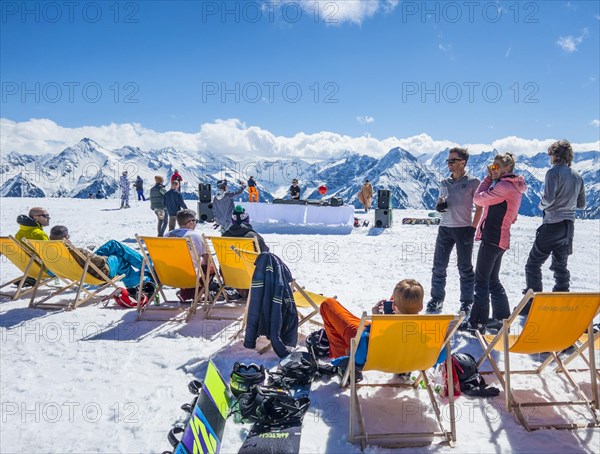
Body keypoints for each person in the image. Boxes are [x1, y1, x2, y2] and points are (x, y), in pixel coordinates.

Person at [460, 153, 526, 334]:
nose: (492, 169)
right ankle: (501, 319)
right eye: (492, 166)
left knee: (481, 281)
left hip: (492, 237)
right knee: (492, 279)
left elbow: (478, 199)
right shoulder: (513, 186)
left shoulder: (504, 186)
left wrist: (488, 178)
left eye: (496, 167)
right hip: (500, 238)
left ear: (506, 169)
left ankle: (477, 322)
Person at [523, 140, 586, 313]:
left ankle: (532, 304)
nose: (549, 158)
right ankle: (561, 298)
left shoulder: (553, 173)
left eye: (550, 154)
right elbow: (581, 204)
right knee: (560, 265)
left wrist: (541, 205)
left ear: (555, 155)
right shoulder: (577, 175)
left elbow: (549, 199)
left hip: (553, 224)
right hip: (568, 227)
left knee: (533, 264)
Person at [427, 148, 482, 315]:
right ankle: (437, 299)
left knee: (464, 267)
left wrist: (472, 228)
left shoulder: (474, 182)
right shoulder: (444, 182)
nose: (449, 164)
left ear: (463, 163)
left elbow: (480, 208)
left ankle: (466, 303)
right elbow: (440, 201)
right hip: (445, 228)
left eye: (452, 161)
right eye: (448, 161)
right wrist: (439, 206)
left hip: (463, 229)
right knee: (438, 266)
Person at [49, 225, 155, 306]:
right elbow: (98, 262)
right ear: (66, 237)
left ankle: (140, 280)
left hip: (78, 272)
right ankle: (148, 268)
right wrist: (104, 257)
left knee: (114, 247)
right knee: (118, 254)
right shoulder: (73, 251)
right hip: (99, 273)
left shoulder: (48, 252)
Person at [320, 279, 424, 360]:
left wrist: (377, 320)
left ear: (393, 306)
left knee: (328, 304)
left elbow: (361, 356)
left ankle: (344, 364)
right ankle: (404, 372)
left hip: (370, 344)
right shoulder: (428, 330)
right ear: (421, 307)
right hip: (402, 353)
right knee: (406, 294)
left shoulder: (377, 329)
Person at [165, 209, 214, 302]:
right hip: (189, 278)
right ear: (191, 222)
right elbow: (208, 260)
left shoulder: (166, 236)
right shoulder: (196, 236)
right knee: (211, 268)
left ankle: (185, 292)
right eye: (195, 221)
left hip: (167, 276)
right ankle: (189, 294)